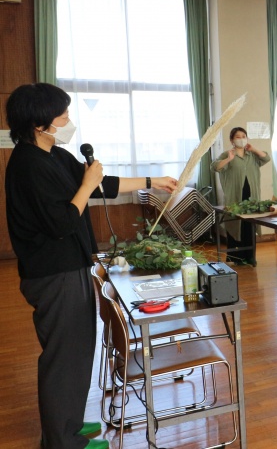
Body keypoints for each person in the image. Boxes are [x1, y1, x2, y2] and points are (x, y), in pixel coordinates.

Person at [5, 83, 177, 449]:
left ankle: (68, 425)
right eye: (62, 115)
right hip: (53, 274)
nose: (68, 120)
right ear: (39, 123)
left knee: (78, 351)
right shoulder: (28, 165)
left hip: (71, 267)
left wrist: (153, 181)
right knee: (63, 358)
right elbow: (61, 222)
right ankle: (61, 441)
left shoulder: (55, 154)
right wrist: (86, 184)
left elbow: (102, 185)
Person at [212, 127, 271, 266]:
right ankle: (236, 258)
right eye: (238, 137)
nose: (241, 139)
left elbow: (266, 158)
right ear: (232, 140)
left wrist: (254, 149)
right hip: (235, 197)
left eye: (244, 136)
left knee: (249, 227)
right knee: (235, 225)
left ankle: (250, 257)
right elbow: (215, 167)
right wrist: (229, 159)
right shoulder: (227, 154)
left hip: (251, 198)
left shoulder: (252, 155)